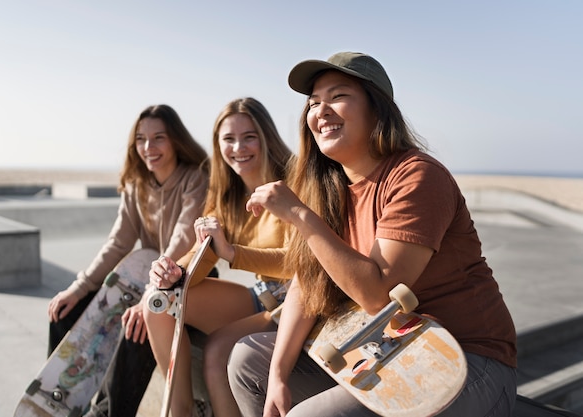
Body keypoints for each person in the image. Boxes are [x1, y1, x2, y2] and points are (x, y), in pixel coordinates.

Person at [228, 52, 518, 417]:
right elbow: (308, 281)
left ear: (377, 108)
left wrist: (301, 215)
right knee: (249, 360)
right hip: (386, 351)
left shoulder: (417, 176)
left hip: (465, 359)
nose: (321, 110)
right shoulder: (328, 187)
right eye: (314, 102)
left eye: (338, 96)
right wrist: (279, 375)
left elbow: (379, 296)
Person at [47, 104, 210, 417]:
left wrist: (152, 294)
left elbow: (182, 238)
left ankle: (107, 412)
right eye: (141, 139)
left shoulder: (195, 179)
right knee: (66, 312)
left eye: (158, 138)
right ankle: (60, 398)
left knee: (138, 326)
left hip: (186, 276)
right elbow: (118, 242)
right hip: (143, 277)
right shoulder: (137, 185)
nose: (149, 148)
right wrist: (78, 288)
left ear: (175, 140)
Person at [143, 97, 293, 417]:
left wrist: (234, 253)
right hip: (261, 298)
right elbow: (203, 254)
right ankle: (178, 411)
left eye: (249, 136)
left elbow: (299, 261)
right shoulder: (227, 194)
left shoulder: (293, 183)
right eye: (228, 139)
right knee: (158, 301)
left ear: (267, 136)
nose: (238, 147)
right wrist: (174, 272)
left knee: (217, 350)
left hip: (297, 303)